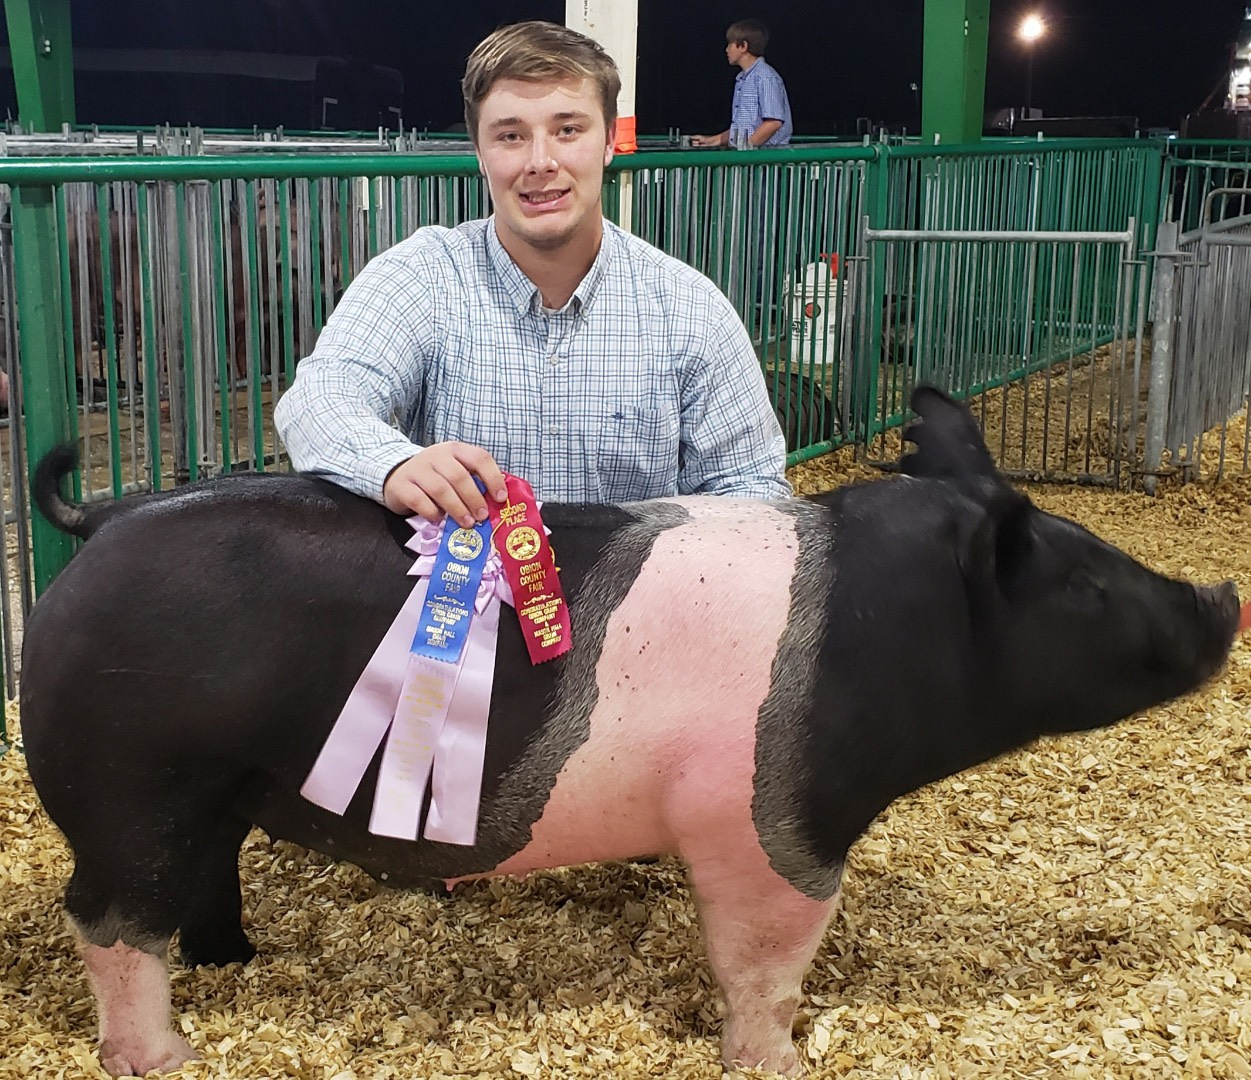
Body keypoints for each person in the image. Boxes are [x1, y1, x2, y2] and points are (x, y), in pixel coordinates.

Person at [274, 20, 789, 530]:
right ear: (479, 152)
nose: (540, 162)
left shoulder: (688, 306)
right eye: (511, 136)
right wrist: (393, 464)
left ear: (610, 140)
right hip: (458, 609)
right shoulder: (424, 274)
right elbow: (319, 399)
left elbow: (753, 492)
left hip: (635, 610)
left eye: (568, 130)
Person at [691, 19, 793, 150]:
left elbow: (774, 122)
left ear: (743, 46)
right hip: (748, 161)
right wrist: (710, 141)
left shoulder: (765, 76)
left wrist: (746, 150)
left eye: (730, 44)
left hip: (763, 161)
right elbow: (743, 129)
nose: (726, 49)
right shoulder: (743, 79)